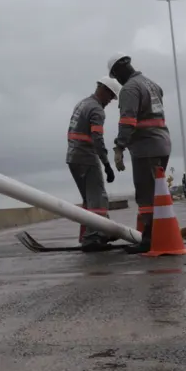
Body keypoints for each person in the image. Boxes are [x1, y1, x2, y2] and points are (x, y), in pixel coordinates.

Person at [106, 53, 171, 254]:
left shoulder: (129, 89)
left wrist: (119, 147)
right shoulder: (152, 84)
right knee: (156, 193)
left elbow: (127, 121)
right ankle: (158, 235)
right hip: (162, 143)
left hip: (146, 147)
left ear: (117, 73)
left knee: (145, 196)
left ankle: (149, 239)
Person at [65, 77, 121, 250]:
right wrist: (106, 164)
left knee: (89, 200)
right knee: (98, 198)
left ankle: (97, 232)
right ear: (103, 90)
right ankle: (94, 237)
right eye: (110, 97)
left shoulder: (82, 104)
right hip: (86, 157)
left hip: (73, 157)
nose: (110, 101)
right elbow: (97, 139)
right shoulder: (96, 110)